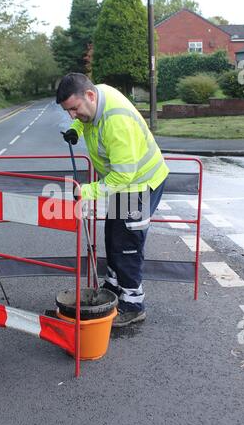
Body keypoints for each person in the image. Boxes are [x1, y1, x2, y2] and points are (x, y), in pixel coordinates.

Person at [56, 73, 169, 327]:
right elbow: (87, 120)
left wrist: (86, 191)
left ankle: (132, 304)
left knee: (128, 242)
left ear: (90, 95)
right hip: (124, 183)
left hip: (138, 184)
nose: (73, 115)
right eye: (68, 112)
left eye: (74, 110)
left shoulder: (116, 121)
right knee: (114, 235)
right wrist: (75, 129)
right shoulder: (97, 96)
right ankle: (115, 287)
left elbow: (124, 175)